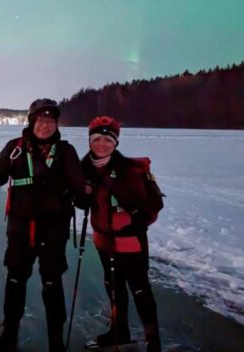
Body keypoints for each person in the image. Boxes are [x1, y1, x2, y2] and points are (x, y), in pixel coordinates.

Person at [0, 98, 86, 352]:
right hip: (20, 230)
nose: (45, 126)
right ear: (31, 122)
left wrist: (82, 194)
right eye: (40, 120)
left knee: (52, 284)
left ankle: (56, 343)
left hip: (54, 231)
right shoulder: (15, 148)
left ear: (56, 124)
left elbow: (80, 189)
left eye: (50, 121)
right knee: (15, 280)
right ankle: (9, 337)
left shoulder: (66, 152)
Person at [80, 116, 162, 352]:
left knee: (140, 289)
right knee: (114, 287)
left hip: (130, 241)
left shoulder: (129, 170)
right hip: (103, 240)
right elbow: (81, 201)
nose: (102, 144)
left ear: (115, 143)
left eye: (108, 140)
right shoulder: (84, 168)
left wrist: (135, 220)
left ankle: (153, 341)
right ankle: (119, 331)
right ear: (90, 141)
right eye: (97, 139)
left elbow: (152, 206)